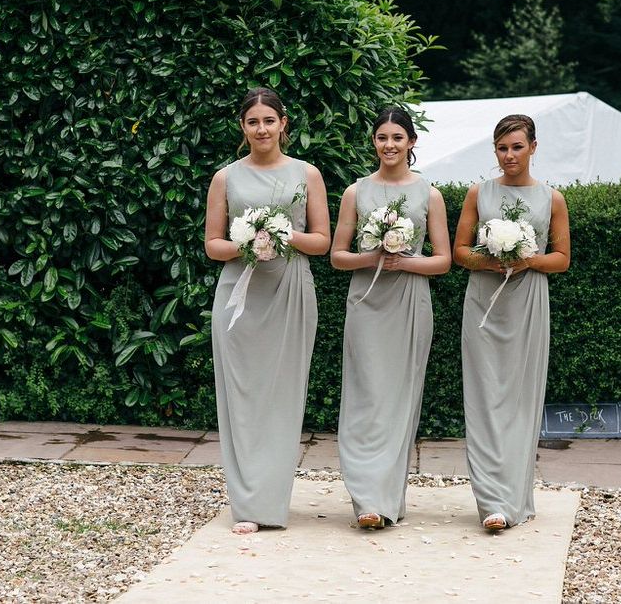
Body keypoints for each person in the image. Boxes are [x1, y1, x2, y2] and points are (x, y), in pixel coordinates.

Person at [204, 87, 330, 534]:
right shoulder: (225, 178)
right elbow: (213, 245)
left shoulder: (307, 173)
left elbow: (322, 242)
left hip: (291, 291)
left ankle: (272, 500)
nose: (262, 129)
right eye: (253, 122)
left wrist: (281, 234)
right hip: (239, 293)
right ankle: (248, 503)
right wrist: (248, 242)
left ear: (283, 124)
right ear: (243, 127)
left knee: (282, 395)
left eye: (269, 121)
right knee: (241, 396)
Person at [331, 107, 451, 529]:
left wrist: (404, 263)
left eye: (397, 137)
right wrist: (373, 256)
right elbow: (337, 256)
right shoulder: (356, 192)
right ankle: (365, 497)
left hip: (409, 302)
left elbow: (444, 261)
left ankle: (387, 499)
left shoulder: (429, 195)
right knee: (365, 396)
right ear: (374, 142)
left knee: (399, 398)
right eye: (382, 137)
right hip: (366, 301)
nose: (389, 145)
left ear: (411, 143)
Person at [453, 114, 571, 531]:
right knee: (484, 396)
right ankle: (491, 501)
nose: (509, 156)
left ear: (533, 147)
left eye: (517, 147)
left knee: (520, 398)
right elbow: (460, 252)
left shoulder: (552, 199)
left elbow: (561, 259)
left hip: (528, 302)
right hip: (484, 302)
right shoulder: (478, 194)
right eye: (502, 148)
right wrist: (493, 259)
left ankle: (516, 495)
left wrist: (526, 260)